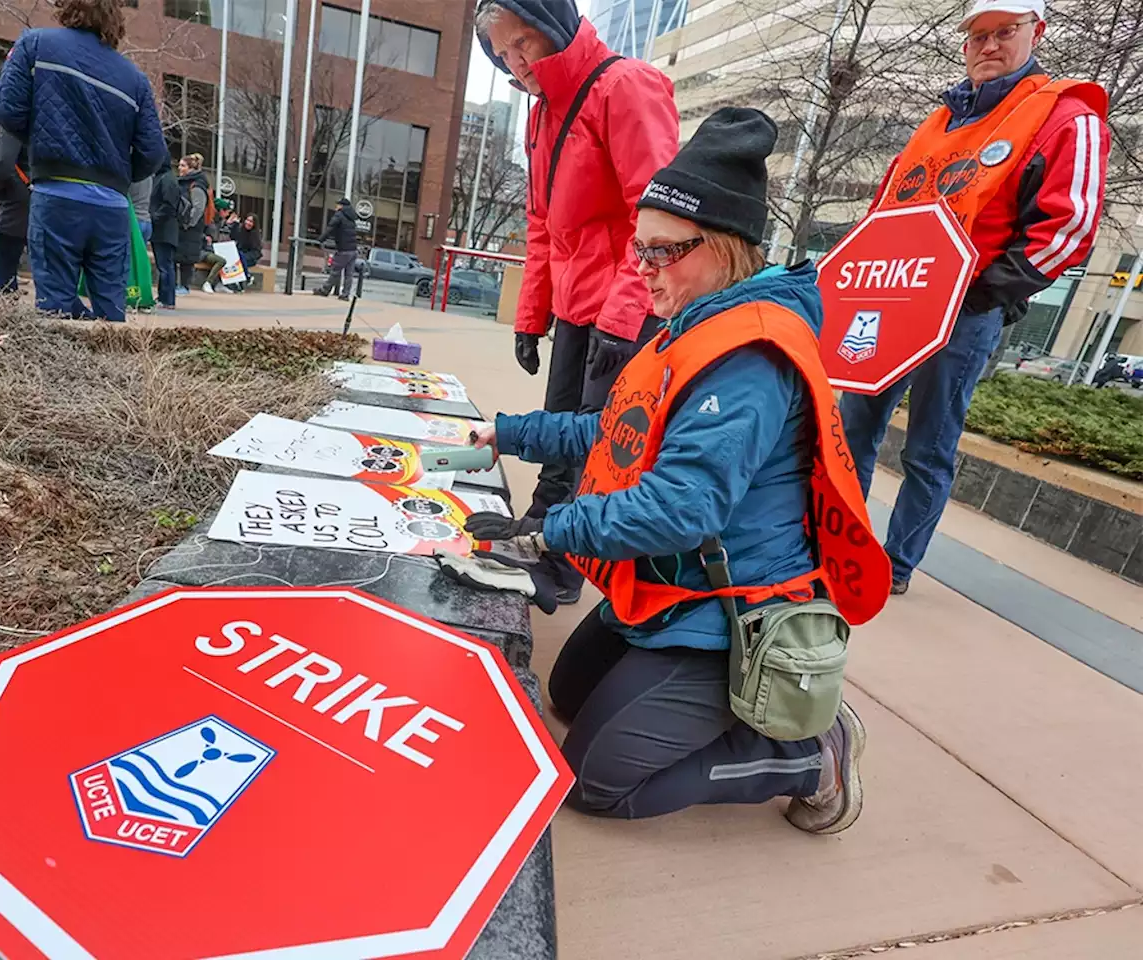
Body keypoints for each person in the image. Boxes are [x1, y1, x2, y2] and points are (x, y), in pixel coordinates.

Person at [460, 109, 890, 826]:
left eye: (664, 252)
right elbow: (620, 431)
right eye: (641, 251)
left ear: (724, 245)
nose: (646, 271)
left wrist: (545, 534)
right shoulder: (696, 326)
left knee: (598, 785)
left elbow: (683, 508)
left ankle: (811, 756)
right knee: (565, 693)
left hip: (730, 613)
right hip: (675, 586)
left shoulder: (749, 356)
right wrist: (507, 434)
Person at [839, 0, 1109, 596]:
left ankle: (896, 565)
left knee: (928, 447)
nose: (989, 45)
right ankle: (840, 544)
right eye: (978, 35)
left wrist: (985, 294)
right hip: (890, 302)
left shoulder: (1063, 115)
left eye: (1004, 32)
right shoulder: (937, 124)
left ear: (1036, 32)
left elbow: (1068, 229)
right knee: (851, 430)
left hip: (963, 314)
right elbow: (883, 211)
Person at [476, 0, 680, 603]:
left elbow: (656, 215)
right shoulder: (540, 113)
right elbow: (542, 224)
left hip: (627, 302)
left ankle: (568, 561)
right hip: (575, 304)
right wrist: (530, 316)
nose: (516, 64)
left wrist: (622, 320)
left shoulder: (626, 86)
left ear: (553, 27)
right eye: (502, 54)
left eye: (524, 45)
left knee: (600, 439)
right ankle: (541, 532)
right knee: (559, 431)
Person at [0, 0, 168, 322]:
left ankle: (62, 368)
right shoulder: (135, 79)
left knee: (55, 311)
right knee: (111, 315)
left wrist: (43, 144)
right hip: (112, 207)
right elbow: (153, 153)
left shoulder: (35, 45)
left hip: (57, 193)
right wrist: (119, 176)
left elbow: (8, 112)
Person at [0, 125, 31, 294]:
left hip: (15, 204)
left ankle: (6, 304)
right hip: (41, 197)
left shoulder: (13, 127)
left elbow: (2, 164)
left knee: (4, 268)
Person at [175, 154, 214, 296]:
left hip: (190, 229)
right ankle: (177, 285)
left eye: (183, 165)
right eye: (179, 165)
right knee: (178, 257)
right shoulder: (183, 182)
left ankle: (184, 286)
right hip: (182, 226)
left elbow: (198, 208)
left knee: (186, 259)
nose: (180, 168)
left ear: (191, 168)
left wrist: (188, 223)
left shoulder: (197, 185)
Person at [149, 159, 180, 309]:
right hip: (163, 229)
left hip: (164, 229)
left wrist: (154, 217)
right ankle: (164, 297)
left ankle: (167, 299)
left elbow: (169, 205)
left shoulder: (166, 179)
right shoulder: (165, 178)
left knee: (165, 265)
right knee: (164, 265)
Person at [315, 197, 358, 299]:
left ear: (342, 206)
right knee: (349, 274)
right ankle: (345, 294)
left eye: (338, 204)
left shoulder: (339, 215)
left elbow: (330, 229)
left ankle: (325, 290)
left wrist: (319, 240)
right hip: (353, 250)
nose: (336, 206)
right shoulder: (351, 217)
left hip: (344, 249)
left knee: (335, 270)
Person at [232, 212, 263, 286]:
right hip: (240, 256)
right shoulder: (241, 230)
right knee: (239, 257)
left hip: (250, 257)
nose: (248, 223)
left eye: (251, 221)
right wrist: (235, 224)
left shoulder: (255, 235)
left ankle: (245, 279)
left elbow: (256, 251)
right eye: (247, 220)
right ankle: (247, 277)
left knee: (240, 259)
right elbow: (233, 236)